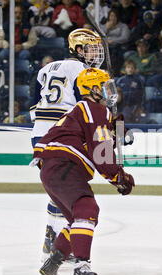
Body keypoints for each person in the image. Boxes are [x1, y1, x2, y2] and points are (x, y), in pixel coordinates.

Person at [33, 68, 135, 275]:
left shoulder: (88, 111)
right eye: (106, 87)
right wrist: (120, 178)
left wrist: (116, 130)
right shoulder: (94, 108)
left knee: (76, 219)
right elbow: (103, 155)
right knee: (87, 209)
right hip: (63, 165)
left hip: (52, 169)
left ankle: (54, 262)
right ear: (94, 89)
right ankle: (81, 267)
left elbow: (96, 141)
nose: (111, 91)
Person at [30, 28, 105, 262]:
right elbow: (87, 108)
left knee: (60, 191)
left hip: (39, 136)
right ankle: (53, 243)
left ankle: (51, 240)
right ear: (79, 49)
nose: (95, 55)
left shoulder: (45, 69)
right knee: (69, 192)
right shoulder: (84, 71)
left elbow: (34, 108)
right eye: (91, 50)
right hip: (64, 137)